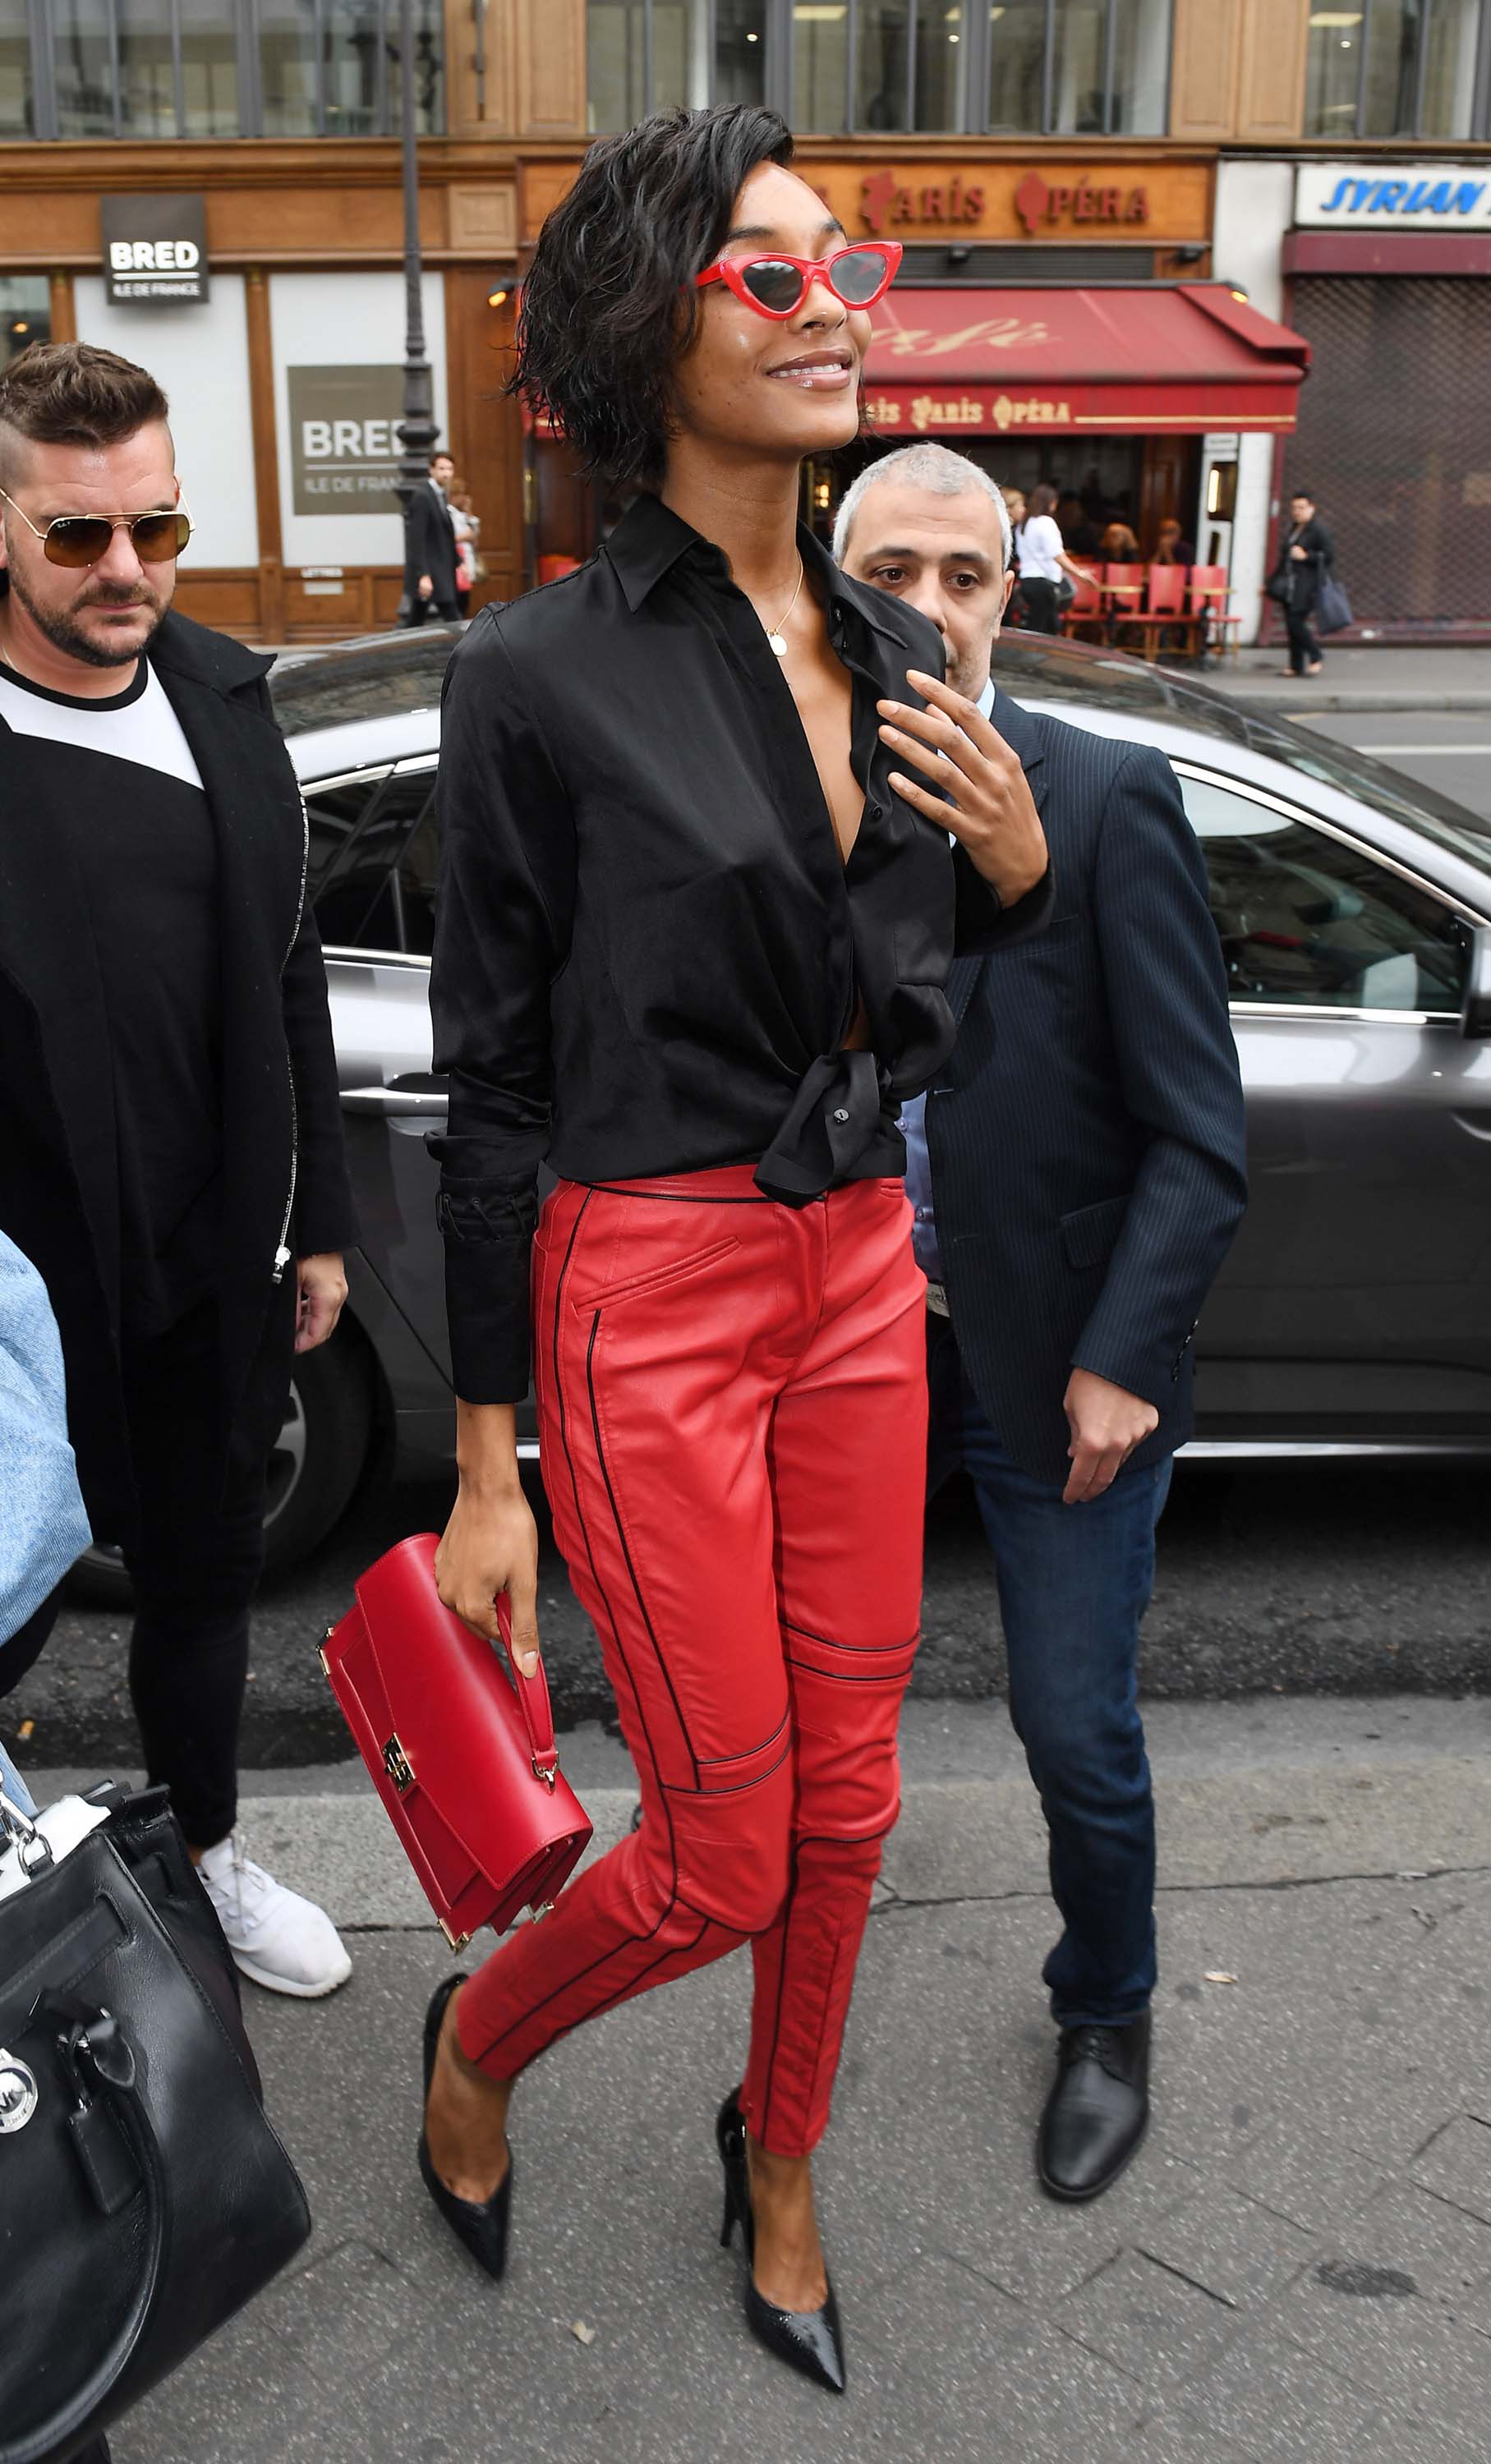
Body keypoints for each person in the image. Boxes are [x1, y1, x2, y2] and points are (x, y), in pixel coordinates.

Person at [421, 106, 1052, 2392]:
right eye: (762, 273)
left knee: (855, 1799)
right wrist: (483, 1468)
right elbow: (484, 1080)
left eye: (837, 259)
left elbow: (917, 1010)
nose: (828, 303)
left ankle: (774, 2163)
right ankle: (479, 2042)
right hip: (643, 1287)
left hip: (854, 1263)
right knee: (714, 1850)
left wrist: (1009, 887)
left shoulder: (902, 647)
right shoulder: (532, 677)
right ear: (640, 324)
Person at [837, 439, 1247, 2204]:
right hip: (835, 1354)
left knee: (1070, 1722)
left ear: (1010, 592)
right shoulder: (787, 795)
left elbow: (1196, 1134)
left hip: (1041, 1357)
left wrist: (1119, 1357)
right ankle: (789, 2011)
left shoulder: (1101, 796)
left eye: (962, 577)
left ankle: (1105, 2009)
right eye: (890, 574)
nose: (926, 610)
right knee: (802, 1728)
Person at [0, 341, 357, 1997]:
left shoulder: (224, 697)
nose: (127, 569)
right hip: (17, 1287)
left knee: (204, 1585)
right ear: (8, 528)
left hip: (208, 1260)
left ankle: (202, 1850)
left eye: (157, 528)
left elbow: (289, 973)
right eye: (79, 537)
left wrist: (324, 1225)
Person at [1269, 490, 1332, 679]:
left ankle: (1315, 655)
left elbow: (1328, 556)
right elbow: (1284, 558)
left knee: (1295, 622)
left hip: (1307, 585)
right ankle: (1295, 665)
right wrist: (1271, 582)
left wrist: (1306, 556)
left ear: (1312, 508)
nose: (1297, 511)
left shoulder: (1319, 530)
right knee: (1291, 624)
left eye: (1301, 508)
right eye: (1294, 508)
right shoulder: (1295, 529)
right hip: (1290, 585)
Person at [1015, 480, 1091, 633]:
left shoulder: (1024, 524)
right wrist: (1079, 573)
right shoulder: (1046, 522)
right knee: (1045, 628)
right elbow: (1057, 554)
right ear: (1052, 503)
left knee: (1041, 623)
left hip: (1027, 581)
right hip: (1043, 583)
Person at [401, 448, 461, 625]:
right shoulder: (423, 496)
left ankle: (405, 648)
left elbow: (444, 535)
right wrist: (423, 575)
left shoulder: (439, 495)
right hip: (432, 572)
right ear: (431, 469)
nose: (446, 474)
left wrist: (458, 562)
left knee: (416, 618)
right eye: (442, 469)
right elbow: (416, 539)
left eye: (449, 469)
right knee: (452, 616)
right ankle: (468, 651)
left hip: (440, 570)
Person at [449, 481, 479, 618]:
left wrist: (469, 512)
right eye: (461, 494)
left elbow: (475, 535)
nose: (464, 498)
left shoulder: (462, 515)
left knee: (463, 602)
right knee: (457, 604)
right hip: (456, 563)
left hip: (466, 563)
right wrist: (464, 537)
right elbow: (444, 538)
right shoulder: (449, 513)